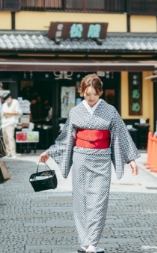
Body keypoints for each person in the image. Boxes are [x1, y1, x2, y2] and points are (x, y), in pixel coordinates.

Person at [39, 74, 139, 253]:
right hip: (81, 159)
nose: (91, 98)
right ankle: (85, 241)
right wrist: (49, 152)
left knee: (99, 201)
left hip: (101, 159)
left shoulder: (110, 111)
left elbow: (122, 136)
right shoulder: (75, 112)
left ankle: (92, 242)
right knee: (81, 200)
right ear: (81, 92)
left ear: (100, 92)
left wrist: (131, 159)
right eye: (87, 94)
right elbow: (66, 138)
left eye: (94, 94)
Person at [1, 93, 22, 158]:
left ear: (10, 97)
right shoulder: (4, 104)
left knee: (10, 137)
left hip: (11, 123)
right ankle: (8, 153)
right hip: (4, 123)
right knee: (5, 138)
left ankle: (13, 153)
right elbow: (3, 113)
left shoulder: (15, 102)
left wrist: (8, 113)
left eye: (6, 99)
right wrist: (7, 113)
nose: (6, 100)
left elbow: (18, 112)